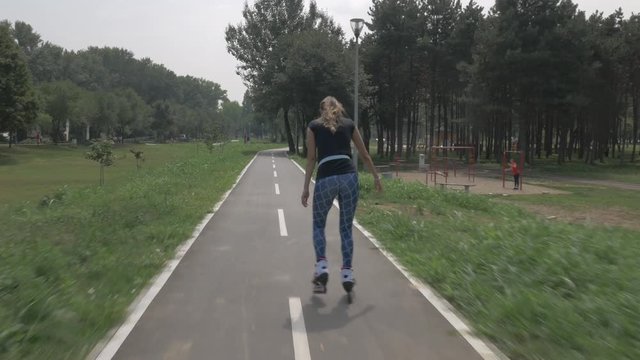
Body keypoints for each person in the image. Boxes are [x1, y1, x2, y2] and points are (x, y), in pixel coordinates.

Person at [301, 96, 383, 294]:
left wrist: (305, 188)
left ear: (322, 110)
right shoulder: (349, 124)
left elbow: (312, 158)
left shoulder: (313, 126)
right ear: (339, 108)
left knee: (319, 224)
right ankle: (347, 273)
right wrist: (376, 177)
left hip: (326, 178)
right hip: (349, 177)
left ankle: (321, 267)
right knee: (346, 228)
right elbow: (364, 154)